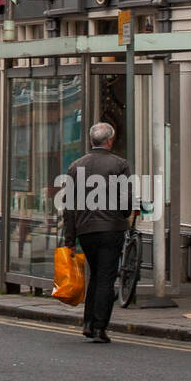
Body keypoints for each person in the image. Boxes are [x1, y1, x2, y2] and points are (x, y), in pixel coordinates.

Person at [61, 121, 134, 343]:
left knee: (94, 275)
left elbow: (69, 206)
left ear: (92, 141)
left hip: (85, 230)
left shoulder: (75, 166)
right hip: (111, 229)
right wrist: (122, 215)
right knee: (105, 277)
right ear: (110, 140)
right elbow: (125, 202)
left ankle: (88, 323)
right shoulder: (120, 164)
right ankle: (99, 327)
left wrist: (70, 239)